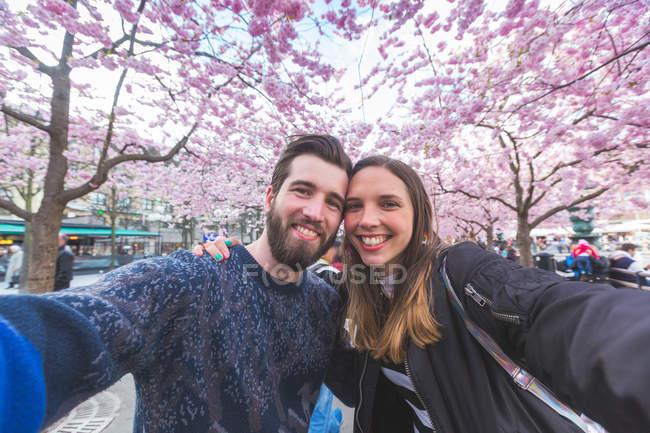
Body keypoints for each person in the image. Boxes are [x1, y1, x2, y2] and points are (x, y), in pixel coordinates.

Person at [201, 156, 650, 433]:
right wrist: (229, 254)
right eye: (354, 206)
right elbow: (294, 274)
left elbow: (554, 312)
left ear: (420, 217)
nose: (367, 220)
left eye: (389, 204)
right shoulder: (359, 288)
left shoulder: (461, 271)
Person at [0, 134, 352, 433]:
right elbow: (72, 327)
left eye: (332, 203)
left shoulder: (327, 302)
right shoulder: (188, 281)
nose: (316, 212)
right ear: (270, 198)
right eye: (303, 191)